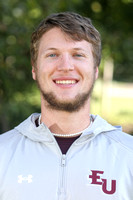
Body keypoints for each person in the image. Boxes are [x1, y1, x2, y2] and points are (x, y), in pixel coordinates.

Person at [0, 11, 133, 200]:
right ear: (34, 70)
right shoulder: (3, 154)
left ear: (95, 71)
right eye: (52, 54)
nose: (65, 66)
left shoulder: (128, 157)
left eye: (78, 54)